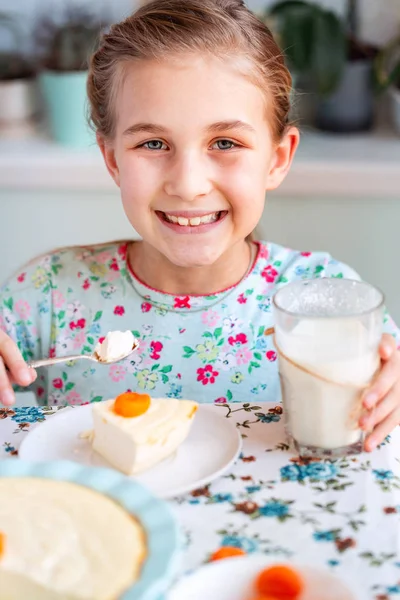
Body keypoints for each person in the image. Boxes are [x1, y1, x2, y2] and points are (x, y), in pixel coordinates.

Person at [0, 0, 399, 451]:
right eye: (153, 143)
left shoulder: (330, 302)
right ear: (113, 159)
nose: (188, 185)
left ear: (277, 158)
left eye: (225, 142)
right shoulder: (47, 293)